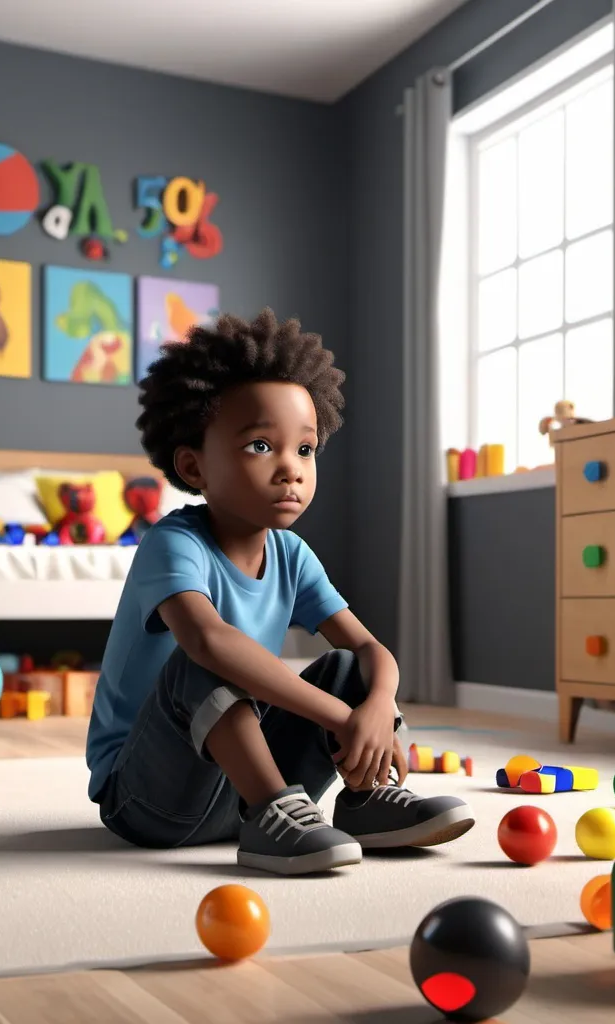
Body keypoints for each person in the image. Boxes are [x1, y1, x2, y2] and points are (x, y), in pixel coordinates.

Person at [86, 308, 474, 875]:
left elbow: (371, 652)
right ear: (195, 466)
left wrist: (374, 706)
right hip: (150, 799)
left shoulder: (290, 554)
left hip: (236, 787)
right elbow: (208, 643)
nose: (291, 469)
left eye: (305, 450)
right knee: (211, 656)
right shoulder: (173, 545)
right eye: (261, 447)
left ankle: (362, 800)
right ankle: (271, 811)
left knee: (348, 669)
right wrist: (342, 720)